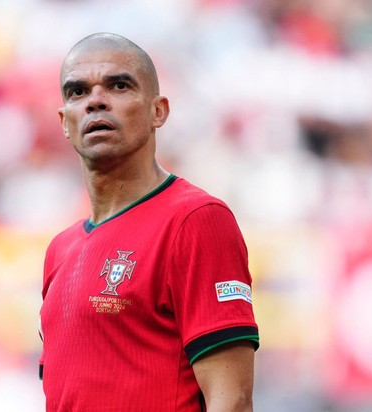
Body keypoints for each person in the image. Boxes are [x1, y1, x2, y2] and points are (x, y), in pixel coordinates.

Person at [39, 32, 259, 412]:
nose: (95, 101)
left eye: (119, 85)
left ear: (159, 111)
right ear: (64, 121)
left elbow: (233, 400)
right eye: (77, 91)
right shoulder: (59, 250)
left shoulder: (196, 220)